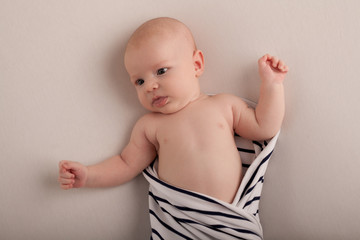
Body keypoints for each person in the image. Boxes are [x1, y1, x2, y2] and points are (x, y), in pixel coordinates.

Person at [58, 17, 288, 238]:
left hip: (228, 225)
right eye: (139, 81)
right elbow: (126, 163)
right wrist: (89, 175)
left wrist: (272, 85)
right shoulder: (149, 126)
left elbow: (263, 127)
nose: (150, 86)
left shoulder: (223, 105)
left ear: (196, 64)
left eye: (161, 71)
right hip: (182, 226)